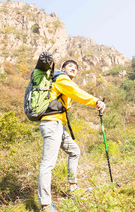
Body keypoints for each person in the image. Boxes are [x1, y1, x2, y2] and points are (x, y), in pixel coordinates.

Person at [38, 59, 106, 212]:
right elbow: (77, 93)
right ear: (63, 68)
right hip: (51, 124)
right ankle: (45, 205)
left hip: (58, 126)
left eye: (76, 68)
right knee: (47, 163)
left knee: (74, 151)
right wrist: (96, 102)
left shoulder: (63, 82)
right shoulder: (61, 78)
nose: (74, 69)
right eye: (70, 66)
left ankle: (72, 188)